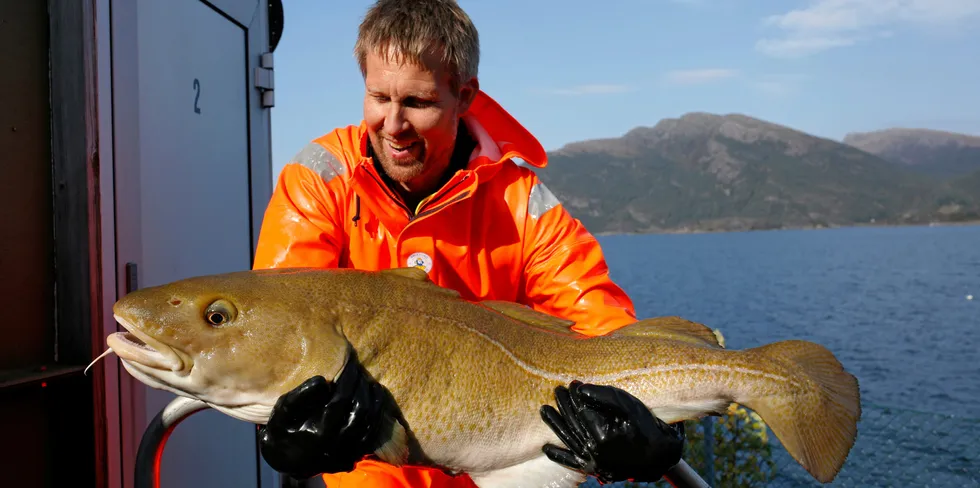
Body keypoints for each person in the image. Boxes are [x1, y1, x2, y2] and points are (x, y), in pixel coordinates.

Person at [250, 0, 685, 486]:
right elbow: (278, 320)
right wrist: (285, 427)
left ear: (464, 97)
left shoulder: (521, 203)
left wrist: (659, 423)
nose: (393, 125)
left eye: (417, 102)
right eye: (378, 97)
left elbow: (599, 323)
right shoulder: (320, 179)